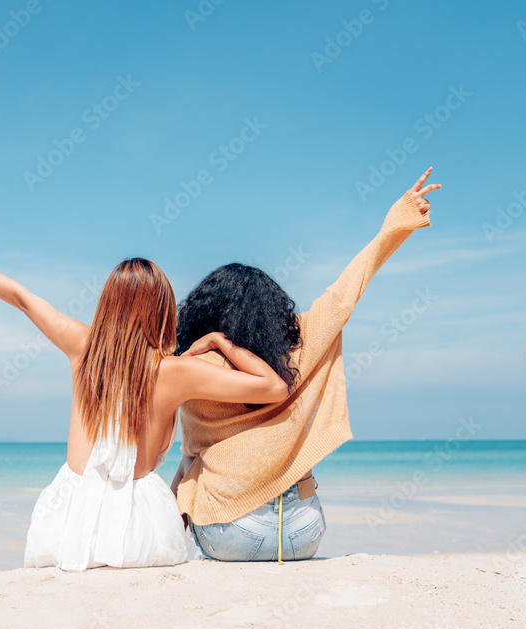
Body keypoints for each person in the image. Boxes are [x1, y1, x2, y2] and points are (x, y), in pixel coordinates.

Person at [0, 252, 290, 571]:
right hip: (139, 525)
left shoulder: (81, 346)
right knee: (191, 458)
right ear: (161, 308)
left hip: (65, 519)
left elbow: (22, 298)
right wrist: (221, 342)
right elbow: (274, 387)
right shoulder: (177, 372)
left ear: (108, 303)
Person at [171, 168, 441, 562]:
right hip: (303, 533)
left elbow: (190, 453)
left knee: (194, 484)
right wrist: (397, 222)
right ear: (269, 309)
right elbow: (347, 290)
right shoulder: (300, 346)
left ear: (204, 312)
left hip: (233, 533)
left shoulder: (199, 364)